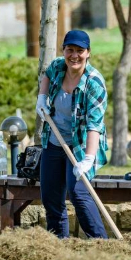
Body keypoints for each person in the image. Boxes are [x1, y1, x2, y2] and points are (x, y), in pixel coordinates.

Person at [35, 29, 109, 239]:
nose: (74, 55)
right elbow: (47, 76)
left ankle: (100, 243)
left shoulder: (95, 84)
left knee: (79, 194)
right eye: (70, 50)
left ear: (88, 53)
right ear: (64, 50)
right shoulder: (58, 65)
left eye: (80, 51)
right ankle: (58, 243)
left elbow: (94, 125)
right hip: (54, 139)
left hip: (81, 144)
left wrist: (88, 158)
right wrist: (42, 98)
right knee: (50, 196)